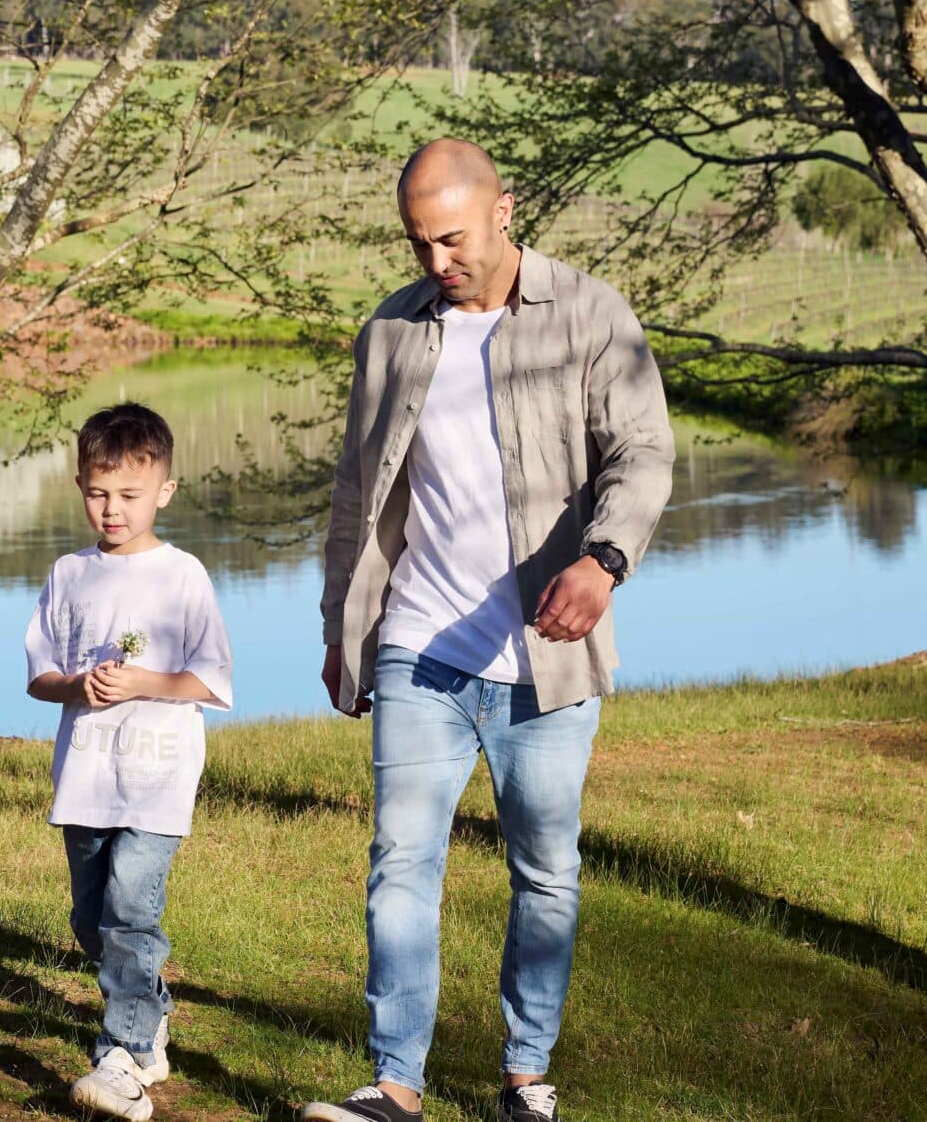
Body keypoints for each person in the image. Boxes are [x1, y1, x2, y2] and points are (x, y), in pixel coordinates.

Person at [302, 140, 673, 1122]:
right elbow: (356, 493)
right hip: (419, 643)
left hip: (545, 660)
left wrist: (602, 563)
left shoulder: (591, 315)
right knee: (399, 865)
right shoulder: (390, 331)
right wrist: (344, 623)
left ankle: (525, 1076)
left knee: (543, 870)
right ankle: (392, 1085)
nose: (435, 263)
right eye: (419, 243)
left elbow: (641, 454)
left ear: (504, 211)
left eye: (451, 239)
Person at [25, 403, 232, 1122]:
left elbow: (210, 680)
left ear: (164, 492)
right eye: (97, 492)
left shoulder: (184, 576)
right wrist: (77, 684)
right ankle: (150, 1018)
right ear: (80, 484)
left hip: (157, 780)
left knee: (130, 912)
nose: (111, 509)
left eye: (129, 495)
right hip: (86, 779)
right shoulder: (69, 573)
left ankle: (119, 1055)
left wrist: (145, 683)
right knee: (91, 918)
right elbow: (39, 674)